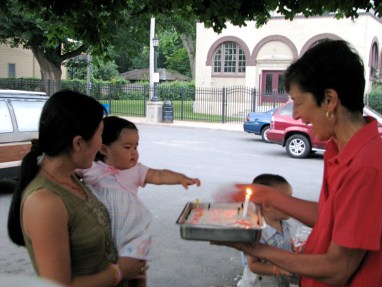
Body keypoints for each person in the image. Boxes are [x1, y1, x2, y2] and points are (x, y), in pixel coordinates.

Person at [214, 40, 382, 286]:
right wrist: (267, 196)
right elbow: (330, 217)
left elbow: (338, 268)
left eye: (299, 102)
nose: (295, 115)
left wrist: (254, 248)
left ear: (329, 100)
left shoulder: (367, 166)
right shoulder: (338, 149)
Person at [7, 90, 145, 287]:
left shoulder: (71, 177)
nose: (100, 145)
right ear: (78, 143)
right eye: (99, 135)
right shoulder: (44, 202)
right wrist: (120, 271)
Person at [78, 116, 201, 287]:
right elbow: (66, 173)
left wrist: (180, 178)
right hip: (99, 231)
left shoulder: (135, 171)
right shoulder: (89, 168)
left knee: (137, 268)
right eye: (127, 147)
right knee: (103, 268)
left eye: (136, 147)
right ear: (104, 149)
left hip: (130, 232)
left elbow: (158, 175)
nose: (134, 152)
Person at [238, 173, 294, 287]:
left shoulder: (284, 225)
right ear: (267, 206)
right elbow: (253, 265)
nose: (293, 204)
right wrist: (278, 269)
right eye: (287, 200)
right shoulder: (255, 232)